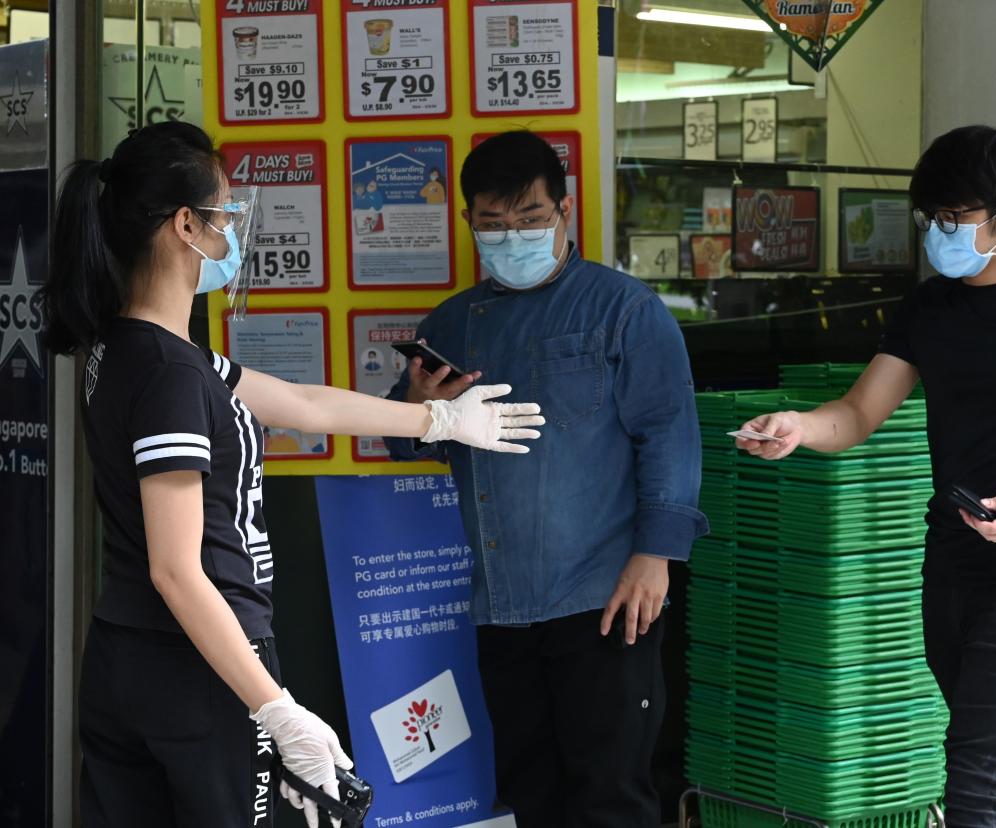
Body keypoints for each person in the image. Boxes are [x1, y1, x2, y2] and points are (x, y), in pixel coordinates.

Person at [41, 122, 543, 828]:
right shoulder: (167, 374)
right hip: (203, 666)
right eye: (225, 211)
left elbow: (303, 403)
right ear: (186, 225)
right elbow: (177, 570)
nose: (234, 228)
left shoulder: (131, 350)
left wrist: (439, 421)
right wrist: (276, 709)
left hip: (130, 656)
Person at [736, 125, 996, 827]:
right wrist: (800, 426)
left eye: (953, 220)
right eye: (930, 219)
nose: (937, 234)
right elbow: (860, 411)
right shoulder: (930, 308)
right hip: (950, 560)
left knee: (977, 777)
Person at [385, 130, 707, 827]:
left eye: (530, 218)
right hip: (500, 603)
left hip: (606, 596)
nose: (513, 237)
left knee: (612, 793)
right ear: (469, 221)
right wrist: (415, 409)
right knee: (527, 792)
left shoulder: (626, 309)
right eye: (494, 224)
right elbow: (402, 443)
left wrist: (656, 557)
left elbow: (671, 436)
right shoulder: (452, 323)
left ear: (565, 211)